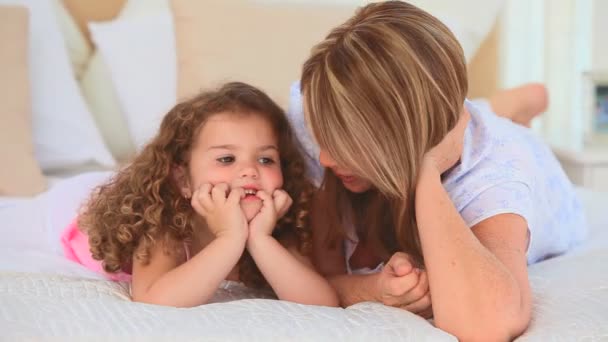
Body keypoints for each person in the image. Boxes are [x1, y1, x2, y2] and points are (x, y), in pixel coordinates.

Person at [289, 1, 586, 341]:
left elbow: (487, 324)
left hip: (527, 158)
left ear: (405, 140)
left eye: (345, 145)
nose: (324, 158)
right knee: (461, 114)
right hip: (433, 124)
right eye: (323, 137)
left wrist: (424, 170)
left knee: (493, 127)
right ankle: (505, 104)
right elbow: (313, 272)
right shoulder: (318, 106)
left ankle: (513, 110)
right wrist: (371, 289)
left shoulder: (495, 174)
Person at [61, 82, 338, 308]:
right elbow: (153, 300)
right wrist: (230, 238)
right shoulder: (166, 224)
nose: (250, 171)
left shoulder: (276, 226)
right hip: (89, 223)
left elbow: (322, 304)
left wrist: (259, 238)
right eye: (227, 159)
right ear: (183, 180)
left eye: (266, 160)